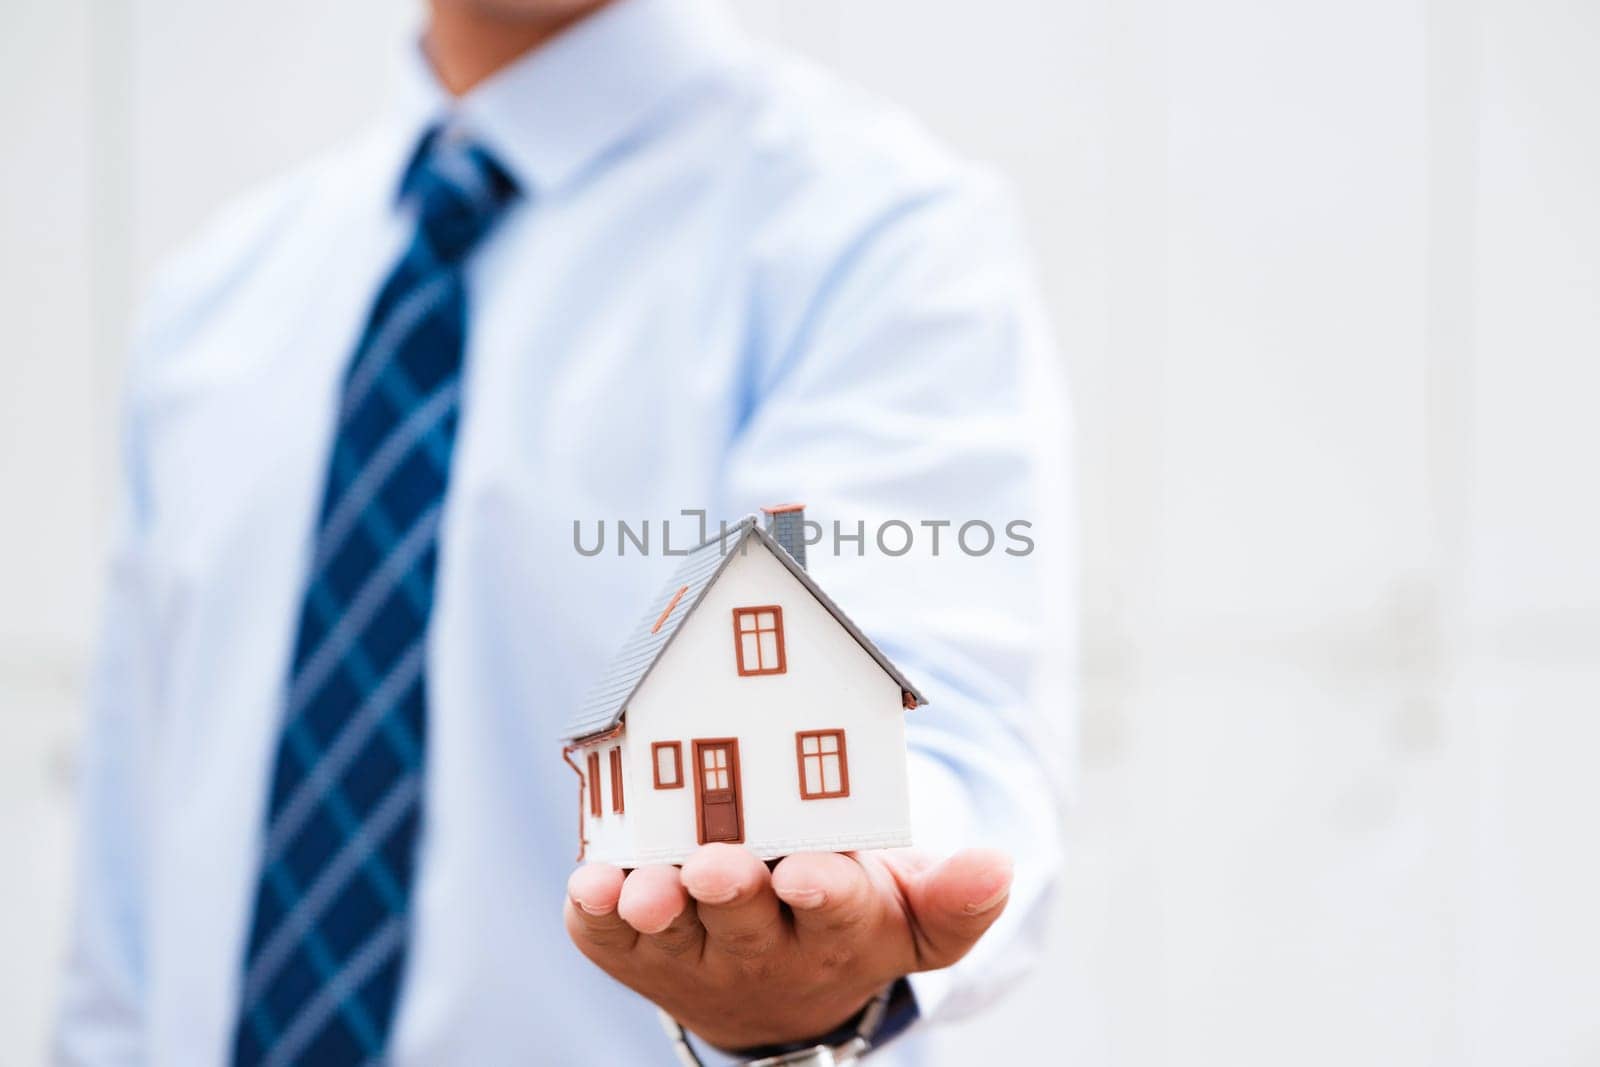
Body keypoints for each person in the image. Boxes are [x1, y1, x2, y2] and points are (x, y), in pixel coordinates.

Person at [54, 0, 1074, 1062]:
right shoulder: (212, 304)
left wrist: (849, 926)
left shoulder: (877, 234)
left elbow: (936, 711)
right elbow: (129, 902)